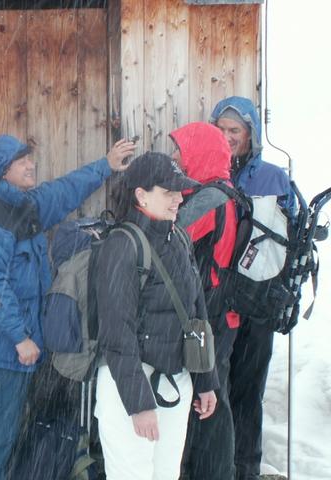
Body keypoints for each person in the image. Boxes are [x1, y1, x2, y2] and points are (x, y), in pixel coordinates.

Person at [0, 134, 136, 480]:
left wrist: (106, 165)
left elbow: (64, 190)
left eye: (29, 159)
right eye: (21, 161)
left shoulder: (24, 207)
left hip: (7, 358)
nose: (30, 165)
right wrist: (20, 337)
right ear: (2, 171)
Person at [94, 152, 218, 480]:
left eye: (179, 191)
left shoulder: (179, 238)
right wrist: (139, 403)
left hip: (176, 381)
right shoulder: (121, 245)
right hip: (129, 385)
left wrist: (205, 380)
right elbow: (116, 333)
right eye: (169, 192)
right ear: (141, 195)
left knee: (166, 475)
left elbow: (196, 312)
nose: (179, 199)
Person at [210, 96, 294, 480]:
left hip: (257, 303)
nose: (228, 137)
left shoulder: (274, 178)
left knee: (247, 392)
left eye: (236, 130)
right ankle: (214, 467)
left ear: (251, 135)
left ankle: (245, 469)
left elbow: (290, 239)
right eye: (221, 129)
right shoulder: (206, 171)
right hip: (217, 301)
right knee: (213, 390)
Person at [169, 122, 238, 479]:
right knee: (210, 397)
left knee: (209, 400)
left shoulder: (209, 200)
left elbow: (169, 236)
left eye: (181, 151)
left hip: (209, 315)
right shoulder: (224, 191)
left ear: (199, 153)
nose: (175, 158)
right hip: (219, 312)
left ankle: (215, 473)